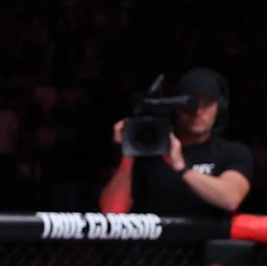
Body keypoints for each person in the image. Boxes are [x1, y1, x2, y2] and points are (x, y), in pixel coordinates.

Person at [97, 67, 253, 219]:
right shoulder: (149, 151)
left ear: (218, 107)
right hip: (153, 244)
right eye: (190, 104)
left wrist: (181, 168)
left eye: (206, 104)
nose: (198, 112)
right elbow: (111, 213)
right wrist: (129, 152)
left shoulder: (233, 152)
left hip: (205, 244)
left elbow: (230, 199)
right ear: (176, 107)